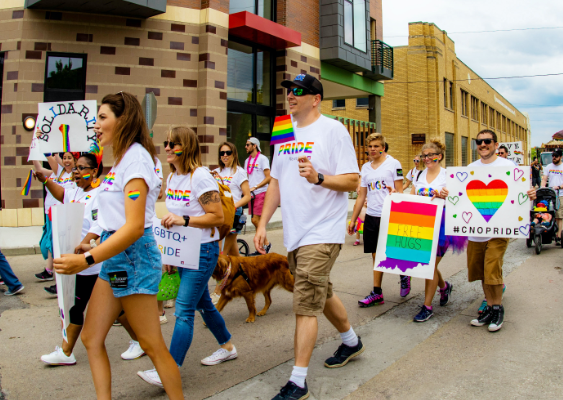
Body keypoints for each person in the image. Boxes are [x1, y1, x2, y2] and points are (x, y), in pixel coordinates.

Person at [52, 92, 184, 399]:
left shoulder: (136, 159)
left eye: (102, 118)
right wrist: (92, 238)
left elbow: (135, 226)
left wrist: (85, 262)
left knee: (151, 344)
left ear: (123, 120)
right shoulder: (123, 159)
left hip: (134, 257)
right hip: (116, 256)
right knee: (91, 337)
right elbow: (115, 216)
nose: (95, 125)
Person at [255, 74, 363, 400]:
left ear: (315, 98)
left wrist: (319, 178)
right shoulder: (283, 129)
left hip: (323, 230)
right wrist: (262, 224)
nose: (291, 95)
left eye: (299, 91)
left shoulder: (333, 130)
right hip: (296, 232)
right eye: (289, 89)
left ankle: (298, 382)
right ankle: (351, 342)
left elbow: (353, 181)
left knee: (305, 302)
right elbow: (275, 181)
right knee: (321, 290)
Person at [138, 126, 237, 388]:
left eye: (174, 144)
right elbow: (174, 223)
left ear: (187, 147)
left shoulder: (200, 177)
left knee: (183, 311)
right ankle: (227, 347)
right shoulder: (172, 179)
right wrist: (170, 253)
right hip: (183, 252)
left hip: (203, 252)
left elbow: (217, 216)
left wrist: (185, 219)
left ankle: (168, 370)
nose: (168, 147)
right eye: (167, 143)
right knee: (203, 303)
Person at [442, 130, 536, 332]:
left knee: (492, 268)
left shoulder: (508, 166)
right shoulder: (470, 169)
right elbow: (461, 196)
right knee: (481, 272)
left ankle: (497, 308)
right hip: (475, 231)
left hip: (499, 231)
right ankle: (489, 307)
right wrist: (448, 194)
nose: (483, 145)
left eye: (487, 141)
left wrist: (529, 193)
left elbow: (520, 193)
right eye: (479, 142)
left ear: (495, 143)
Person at [36, 153, 104, 365]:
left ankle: (66, 352)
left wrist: (79, 250)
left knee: (77, 306)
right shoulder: (75, 192)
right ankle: (139, 342)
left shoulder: (99, 195)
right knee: (111, 309)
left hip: (91, 263)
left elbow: (97, 227)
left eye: (82, 168)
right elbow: (61, 194)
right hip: (78, 263)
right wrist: (45, 180)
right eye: (76, 168)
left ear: (93, 172)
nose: (76, 172)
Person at [409, 140, 466, 322]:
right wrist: (395, 195)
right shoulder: (419, 175)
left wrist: (447, 196)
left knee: (429, 265)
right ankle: (444, 286)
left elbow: (459, 200)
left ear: (439, 156)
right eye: (423, 155)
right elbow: (412, 197)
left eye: (429, 155)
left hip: (442, 225)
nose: (426, 158)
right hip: (422, 223)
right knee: (429, 264)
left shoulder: (448, 176)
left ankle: (427, 306)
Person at [348, 133, 406, 308]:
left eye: (376, 146)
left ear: (383, 147)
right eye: (370, 146)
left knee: (393, 251)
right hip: (372, 216)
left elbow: (400, 191)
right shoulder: (365, 168)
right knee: (375, 254)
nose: (372, 149)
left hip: (390, 214)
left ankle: (403, 275)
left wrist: (395, 193)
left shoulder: (394, 164)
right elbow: (361, 196)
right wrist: (353, 219)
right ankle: (377, 293)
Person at [210, 142, 251, 304]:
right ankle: (249, 279)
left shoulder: (239, 172)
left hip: (233, 215)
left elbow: (247, 196)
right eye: (222, 153)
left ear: (234, 154)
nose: (224, 156)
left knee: (222, 255)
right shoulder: (216, 172)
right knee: (235, 256)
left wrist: (233, 206)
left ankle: (217, 291)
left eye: (227, 152)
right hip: (219, 215)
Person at [33, 152, 76, 292]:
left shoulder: (76, 175)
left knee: (65, 248)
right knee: (56, 246)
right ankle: (59, 282)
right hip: (54, 213)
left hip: (70, 215)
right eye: (65, 158)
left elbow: (52, 158)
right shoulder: (59, 173)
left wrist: (47, 148)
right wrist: (35, 151)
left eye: (70, 158)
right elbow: (41, 168)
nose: (67, 161)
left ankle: (60, 281)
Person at [244, 137, 271, 255]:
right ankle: (261, 246)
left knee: (256, 220)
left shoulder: (263, 159)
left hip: (261, 192)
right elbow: (246, 176)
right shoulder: (247, 161)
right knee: (255, 221)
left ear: (255, 146)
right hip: (251, 194)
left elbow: (269, 177)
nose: (246, 146)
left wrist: (256, 187)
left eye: (248, 144)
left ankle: (265, 243)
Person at [541, 148, 563, 243]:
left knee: (559, 215)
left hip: (560, 194)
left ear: (560, 157)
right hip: (550, 194)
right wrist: (542, 187)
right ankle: (547, 231)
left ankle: (558, 235)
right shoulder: (548, 167)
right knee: (548, 212)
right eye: (553, 156)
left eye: (556, 156)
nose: (554, 157)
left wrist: (559, 187)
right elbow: (544, 179)